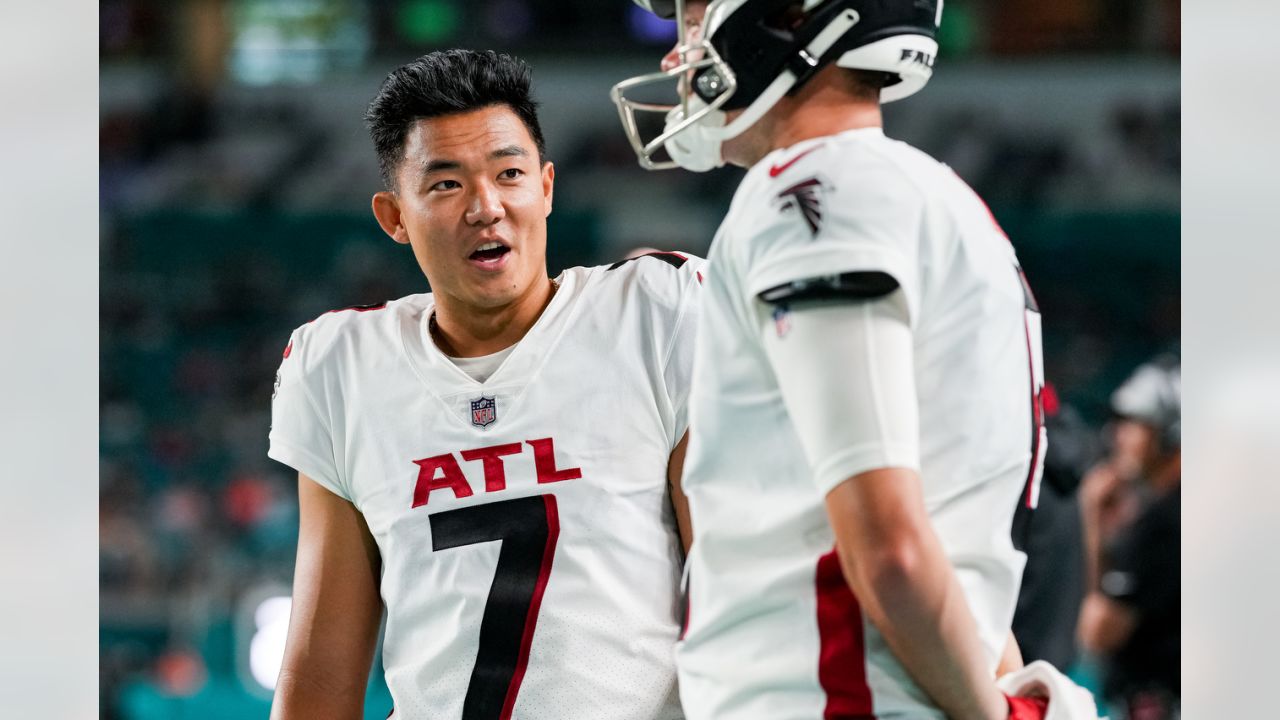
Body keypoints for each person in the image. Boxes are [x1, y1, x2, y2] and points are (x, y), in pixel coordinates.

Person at [613, 2, 1094, 718]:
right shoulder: (927, 197)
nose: (675, 53)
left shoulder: (814, 192)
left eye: (691, 12)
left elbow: (892, 549)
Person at [268, 49, 701, 720]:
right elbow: (322, 674)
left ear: (548, 187)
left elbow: (728, 594)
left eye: (510, 174)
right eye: (445, 185)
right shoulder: (339, 367)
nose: (486, 206)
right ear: (393, 216)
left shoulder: (657, 315)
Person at [1078, 353, 1180, 719]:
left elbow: (1095, 633)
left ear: (1171, 433)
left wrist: (1089, 517)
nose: (1117, 437)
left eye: (1135, 426)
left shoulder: (1165, 520)